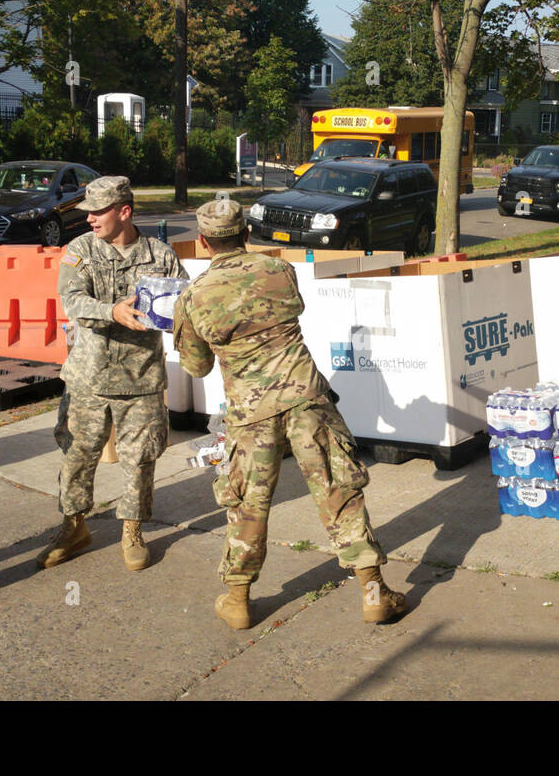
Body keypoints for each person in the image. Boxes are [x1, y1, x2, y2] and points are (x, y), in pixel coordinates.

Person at [171, 199, 406, 630]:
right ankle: (374, 594)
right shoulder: (280, 270)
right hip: (306, 400)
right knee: (339, 492)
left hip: (250, 413)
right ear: (246, 233)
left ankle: (238, 599)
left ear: (203, 242)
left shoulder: (192, 297)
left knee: (248, 504)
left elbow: (197, 366)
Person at [39, 176, 188, 572]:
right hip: (88, 376)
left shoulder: (160, 255)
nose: (89, 218)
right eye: (87, 210)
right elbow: (72, 300)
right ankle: (73, 526)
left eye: (99, 210)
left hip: (140, 380)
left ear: (124, 211)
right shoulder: (81, 250)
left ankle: (133, 530)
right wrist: (112, 312)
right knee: (76, 455)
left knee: (140, 458)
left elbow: (183, 304)